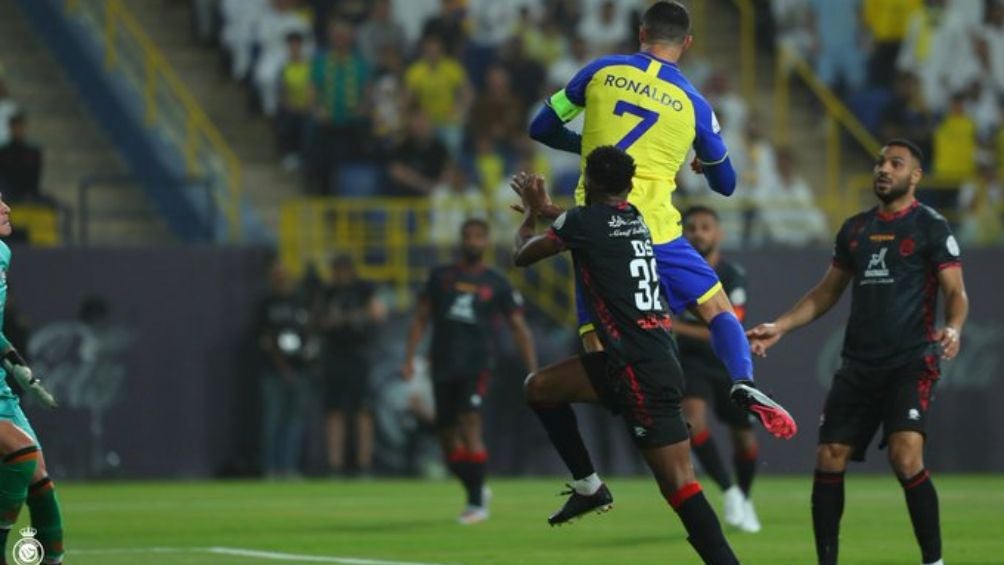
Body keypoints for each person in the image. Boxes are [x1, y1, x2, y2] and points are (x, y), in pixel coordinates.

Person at [512, 146, 793, 565]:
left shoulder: (583, 222)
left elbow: (522, 255)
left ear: (588, 182)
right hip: (645, 357)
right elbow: (585, 225)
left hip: (639, 370)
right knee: (540, 388)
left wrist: (530, 215)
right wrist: (551, 211)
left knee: (680, 487)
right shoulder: (636, 219)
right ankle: (588, 486)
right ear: (628, 188)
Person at [528, 1, 786, 437]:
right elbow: (725, 184)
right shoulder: (694, 103)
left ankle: (627, 403)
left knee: (597, 333)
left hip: (597, 229)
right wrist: (704, 164)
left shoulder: (599, 71)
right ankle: (742, 380)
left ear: (642, 33)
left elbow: (541, 127)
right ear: (687, 43)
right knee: (717, 309)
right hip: (659, 231)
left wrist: (591, 147)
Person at [747, 139, 969, 565]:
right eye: (880, 162)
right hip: (858, 365)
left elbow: (956, 292)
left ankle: (934, 562)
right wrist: (780, 326)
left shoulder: (931, 226)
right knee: (829, 457)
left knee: (905, 457)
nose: (883, 169)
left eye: (895, 163)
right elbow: (826, 292)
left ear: (915, 176)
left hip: (910, 361)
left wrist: (954, 327)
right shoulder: (855, 229)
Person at [402, 218, 537, 525]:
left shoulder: (497, 282)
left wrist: (533, 370)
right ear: (460, 240)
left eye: (478, 236)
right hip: (442, 363)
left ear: (486, 242)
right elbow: (421, 318)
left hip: (477, 364)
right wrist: (409, 358)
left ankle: (476, 504)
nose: (473, 241)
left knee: (470, 421)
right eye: (468, 236)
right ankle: (476, 487)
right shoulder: (440, 277)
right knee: (448, 440)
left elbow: (518, 327)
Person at [676, 206, 760, 533]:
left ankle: (746, 497)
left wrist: (675, 326)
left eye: (705, 227)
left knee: (744, 439)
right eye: (692, 227)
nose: (698, 233)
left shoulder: (732, 274)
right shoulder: (674, 270)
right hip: (691, 360)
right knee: (692, 422)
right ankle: (729, 491)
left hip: (727, 360)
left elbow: (729, 328)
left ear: (718, 234)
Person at [0, 194, 63, 563]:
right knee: (21, 451)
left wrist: (16, 366)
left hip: (1, 388)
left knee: (40, 482)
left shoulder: (3, 254)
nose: (6, 208)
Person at [317, 255, 385, 476]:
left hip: (358, 355)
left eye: (343, 270)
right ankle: (334, 465)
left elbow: (378, 313)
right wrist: (346, 318)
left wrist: (346, 317)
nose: (340, 275)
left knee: (363, 410)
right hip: (335, 357)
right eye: (337, 270)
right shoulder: (327, 292)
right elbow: (320, 320)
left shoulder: (363, 289)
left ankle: (364, 464)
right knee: (334, 411)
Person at [257, 261, 313, 479]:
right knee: (272, 420)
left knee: (295, 421)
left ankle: (289, 467)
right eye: (277, 276)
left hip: (299, 370)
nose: (281, 280)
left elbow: (308, 333)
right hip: (274, 371)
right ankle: (270, 467)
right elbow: (266, 339)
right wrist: (282, 367)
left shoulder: (300, 302)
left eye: (284, 276)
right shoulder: (267, 305)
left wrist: (305, 359)